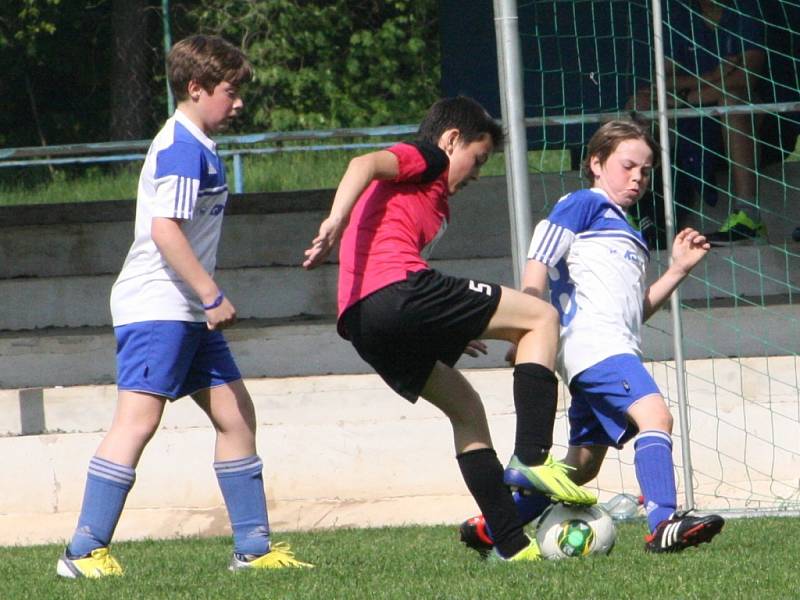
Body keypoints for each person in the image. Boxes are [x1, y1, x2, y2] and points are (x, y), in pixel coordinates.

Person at [56, 35, 311, 579]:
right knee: (138, 421)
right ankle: (81, 552)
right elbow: (164, 230)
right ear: (195, 88)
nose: (238, 101)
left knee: (236, 417)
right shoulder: (180, 148)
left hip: (183, 311)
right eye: (229, 90)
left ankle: (253, 549)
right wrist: (210, 294)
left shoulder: (198, 142)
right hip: (158, 306)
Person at [303, 96, 596, 562]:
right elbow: (364, 162)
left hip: (363, 322)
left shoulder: (432, 201)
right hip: (397, 292)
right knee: (541, 318)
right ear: (452, 139)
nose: (476, 173)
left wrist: (450, 325)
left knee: (466, 409)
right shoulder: (429, 156)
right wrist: (335, 219)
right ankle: (533, 458)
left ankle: (511, 545)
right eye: (477, 160)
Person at [459, 119, 725, 555]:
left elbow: (635, 311)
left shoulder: (630, 233)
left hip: (608, 348)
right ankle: (663, 524)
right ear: (596, 163)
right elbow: (539, 255)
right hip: (595, 348)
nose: (637, 176)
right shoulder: (583, 203)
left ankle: (493, 525)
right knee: (656, 417)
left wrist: (677, 270)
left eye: (646, 170)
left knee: (580, 467)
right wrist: (525, 325)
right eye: (628, 165)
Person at [627, 0, 767, 244]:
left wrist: (688, 97)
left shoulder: (746, 11)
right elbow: (664, 79)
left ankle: (748, 215)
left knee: (733, 101)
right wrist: (713, 76)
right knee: (640, 104)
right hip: (689, 114)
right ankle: (636, 212)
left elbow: (744, 80)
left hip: (740, 124)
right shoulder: (682, 15)